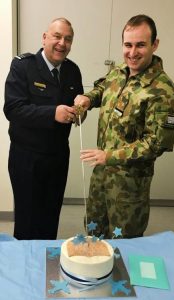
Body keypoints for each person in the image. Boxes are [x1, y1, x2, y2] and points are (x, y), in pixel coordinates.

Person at [74, 14, 174, 239]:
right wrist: (88, 98)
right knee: (94, 234)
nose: (132, 53)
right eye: (128, 45)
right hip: (101, 177)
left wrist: (109, 156)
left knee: (125, 245)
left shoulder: (163, 91)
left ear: (155, 44)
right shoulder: (119, 71)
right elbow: (103, 88)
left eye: (140, 45)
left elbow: (155, 144)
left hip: (128, 189)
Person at [4, 18, 84, 240]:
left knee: (50, 215)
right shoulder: (23, 66)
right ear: (45, 37)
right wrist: (52, 113)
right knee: (27, 219)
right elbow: (13, 109)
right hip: (26, 157)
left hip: (58, 157)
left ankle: (47, 266)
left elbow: (75, 109)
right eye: (57, 36)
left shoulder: (72, 70)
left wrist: (80, 113)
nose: (62, 43)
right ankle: (25, 268)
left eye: (68, 39)